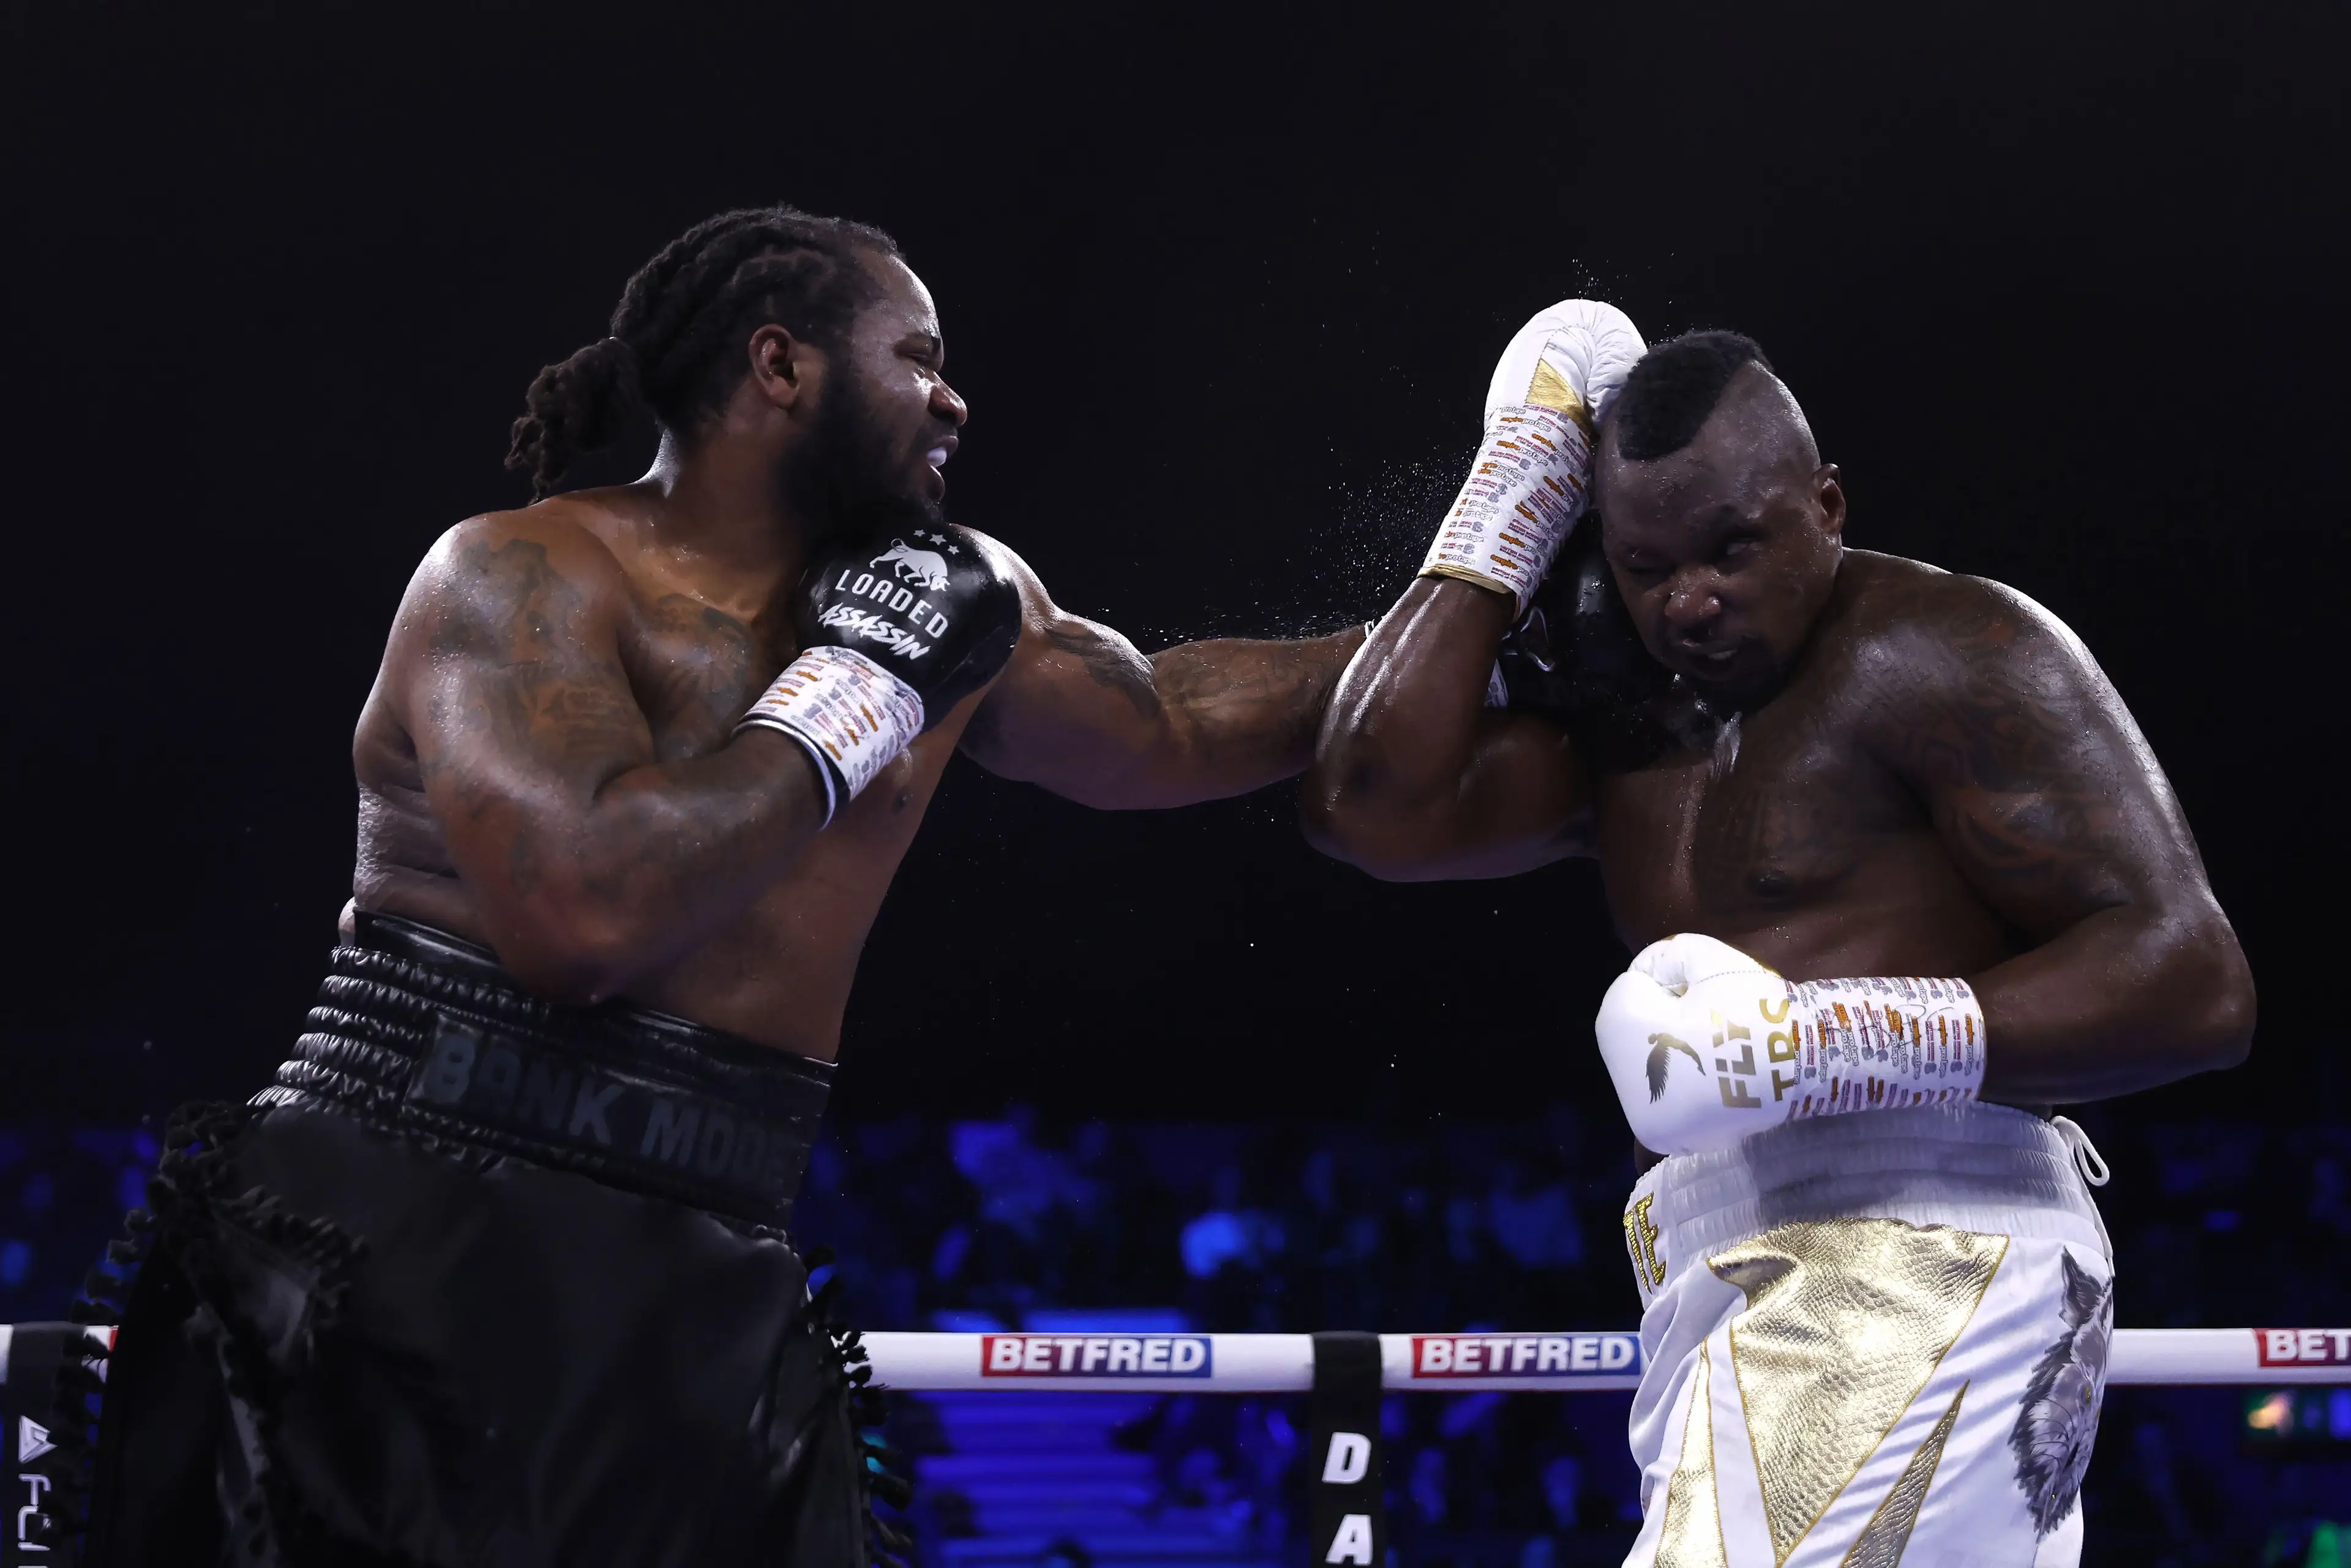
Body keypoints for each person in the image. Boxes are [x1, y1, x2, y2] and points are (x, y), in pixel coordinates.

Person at [64, 205, 1365, 1567]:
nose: (954, 396)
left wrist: (1484, 596)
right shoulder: (518, 574)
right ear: (780, 366)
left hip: (707, 1262)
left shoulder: (953, 602)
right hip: (412, 1229)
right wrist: (854, 692)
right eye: (918, 356)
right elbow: (586, 916)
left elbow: (1167, 718)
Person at [1303, 312, 2253, 1565]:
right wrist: (1523, 476)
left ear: (1828, 503)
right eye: (1648, 566)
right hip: (1722, 1276)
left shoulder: (1948, 652)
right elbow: (1370, 800)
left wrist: (1825, 1042)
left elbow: (2197, 980)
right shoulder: (1631, 728)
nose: (1692, 600)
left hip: (1925, 1245)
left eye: (1733, 549)